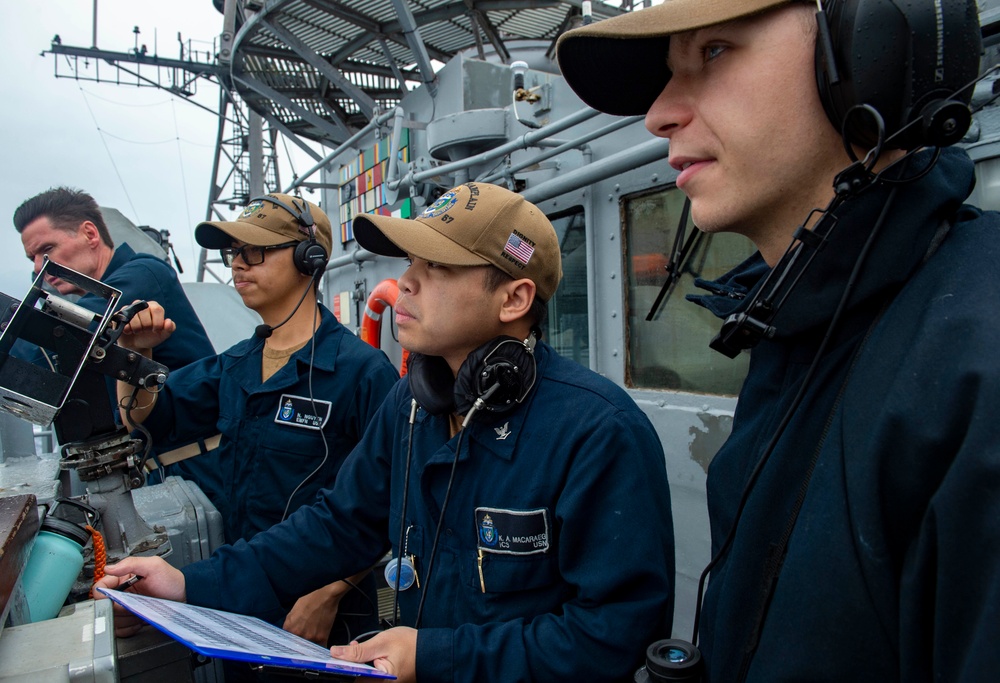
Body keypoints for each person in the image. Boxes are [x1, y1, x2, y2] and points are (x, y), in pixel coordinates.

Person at [558, 0, 1000, 681]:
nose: (658, 115)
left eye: (713, 52)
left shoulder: (978, 362)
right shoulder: (792, 327)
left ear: (867, 49)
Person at [98, 181, 676, 683]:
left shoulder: (598, 432)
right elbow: (337, 524)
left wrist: (435, 656)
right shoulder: (412, 404)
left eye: (437, 268)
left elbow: (613, 634)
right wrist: (188, 584)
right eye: (410, 265)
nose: (405, 284)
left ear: (515, 298)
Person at [114, 193, 400, 649]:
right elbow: (147, 420)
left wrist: (328, 592)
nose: (238, 264)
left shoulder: (362, 373)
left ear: (310, 258)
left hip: (324, 614)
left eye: (256, 250)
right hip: (241, 594)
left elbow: (389, 501)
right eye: (233, 252)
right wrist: (136, 356)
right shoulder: (237, 365)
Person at [12, 186, 213, 383]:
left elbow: (50, 343)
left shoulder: (144, 274)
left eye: (47, 248)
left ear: (90, 234)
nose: (39, 266)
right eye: (33, 259)